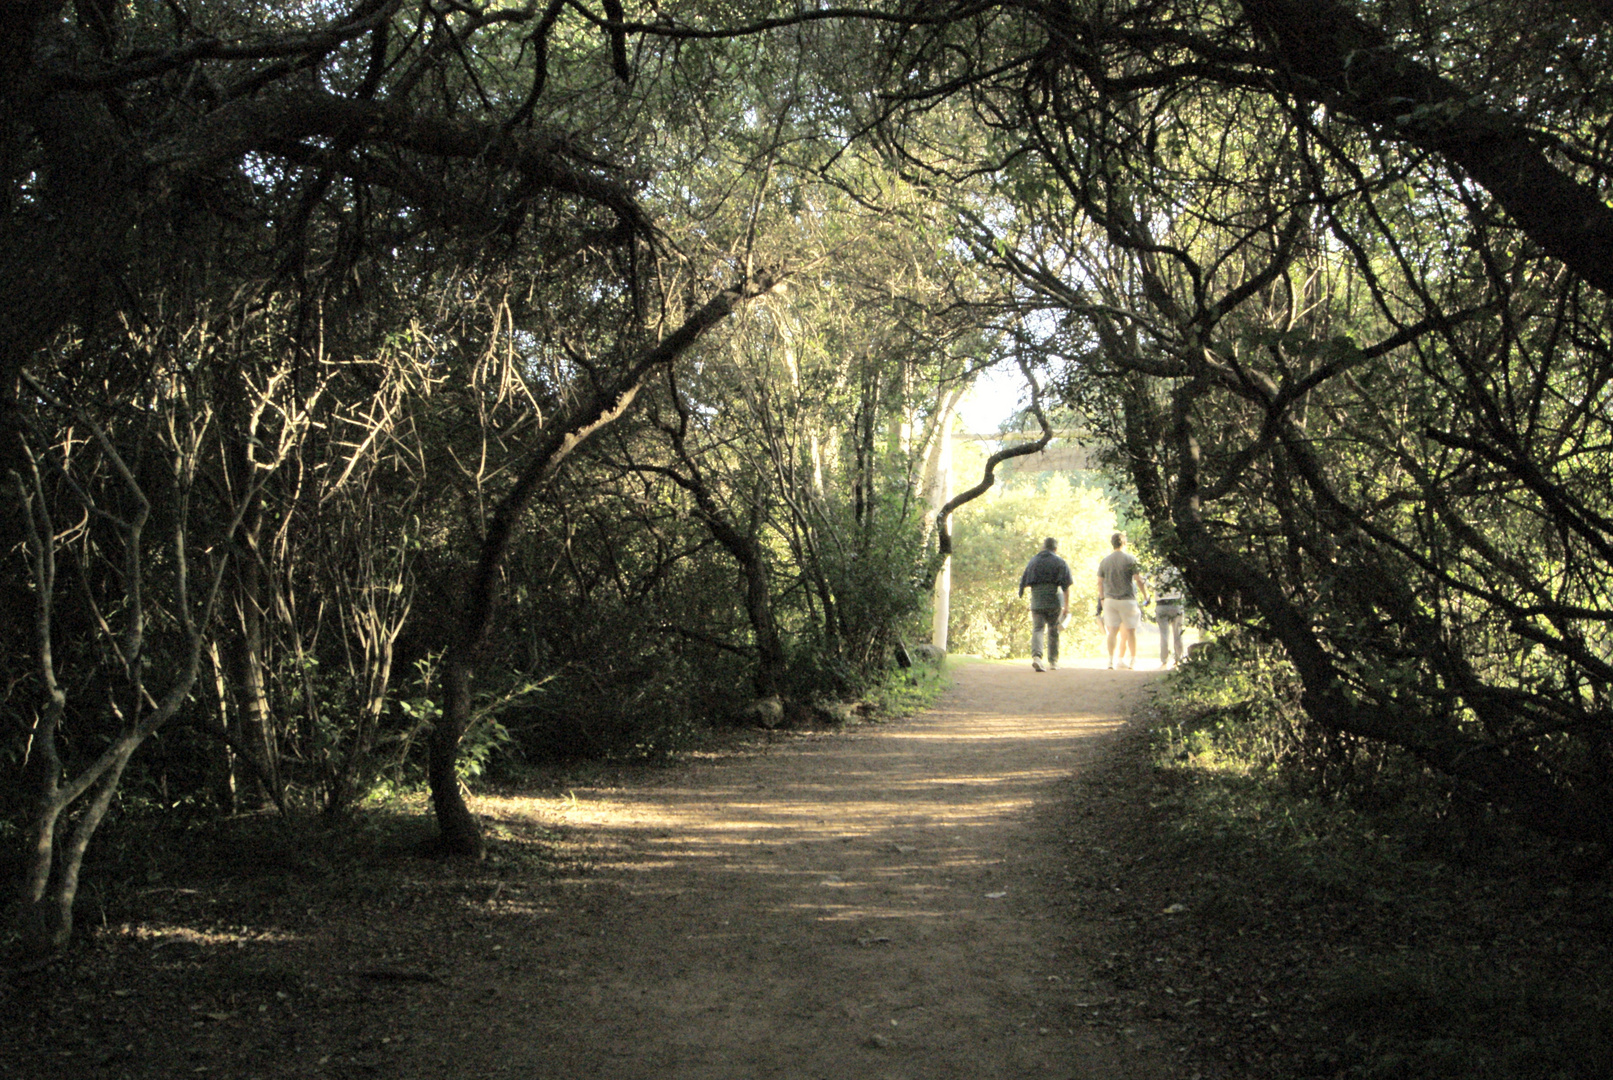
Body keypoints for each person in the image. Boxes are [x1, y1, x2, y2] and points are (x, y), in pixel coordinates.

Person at [1096, 531, 1150, 669]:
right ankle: (1133, 660)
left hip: (1110, 600)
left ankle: (1110, 661)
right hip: (1127, 599)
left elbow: (1099, 582)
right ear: (1124, 543)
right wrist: (1145, 596)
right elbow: (1138, 580)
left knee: (1112, 631)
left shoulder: (1105, 561)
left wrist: (1102, 598)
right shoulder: (1130, 559)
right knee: (1131, 630)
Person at [1018, 537, 1072, 672]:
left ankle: (1037, 657)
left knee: (1038, 629)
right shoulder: (1060, 562)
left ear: (1043, 547)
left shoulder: (1034, 561)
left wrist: (1022, 593)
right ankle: (1053, 661)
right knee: (1053, 630)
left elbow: (1024, 581)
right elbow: (1066, 586)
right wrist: (1067, 606)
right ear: (1055, 548)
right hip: (1054, 599)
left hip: (1037, 599)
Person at [1153, 564, 1187, 668]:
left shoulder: (1157, 569)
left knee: (1164, 634)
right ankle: (1179, 658)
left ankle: (1164, 659)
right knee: (1177, 633)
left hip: (1161, 605)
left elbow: (1146, 581)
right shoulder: (1178, 569)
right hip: (1176, 604)